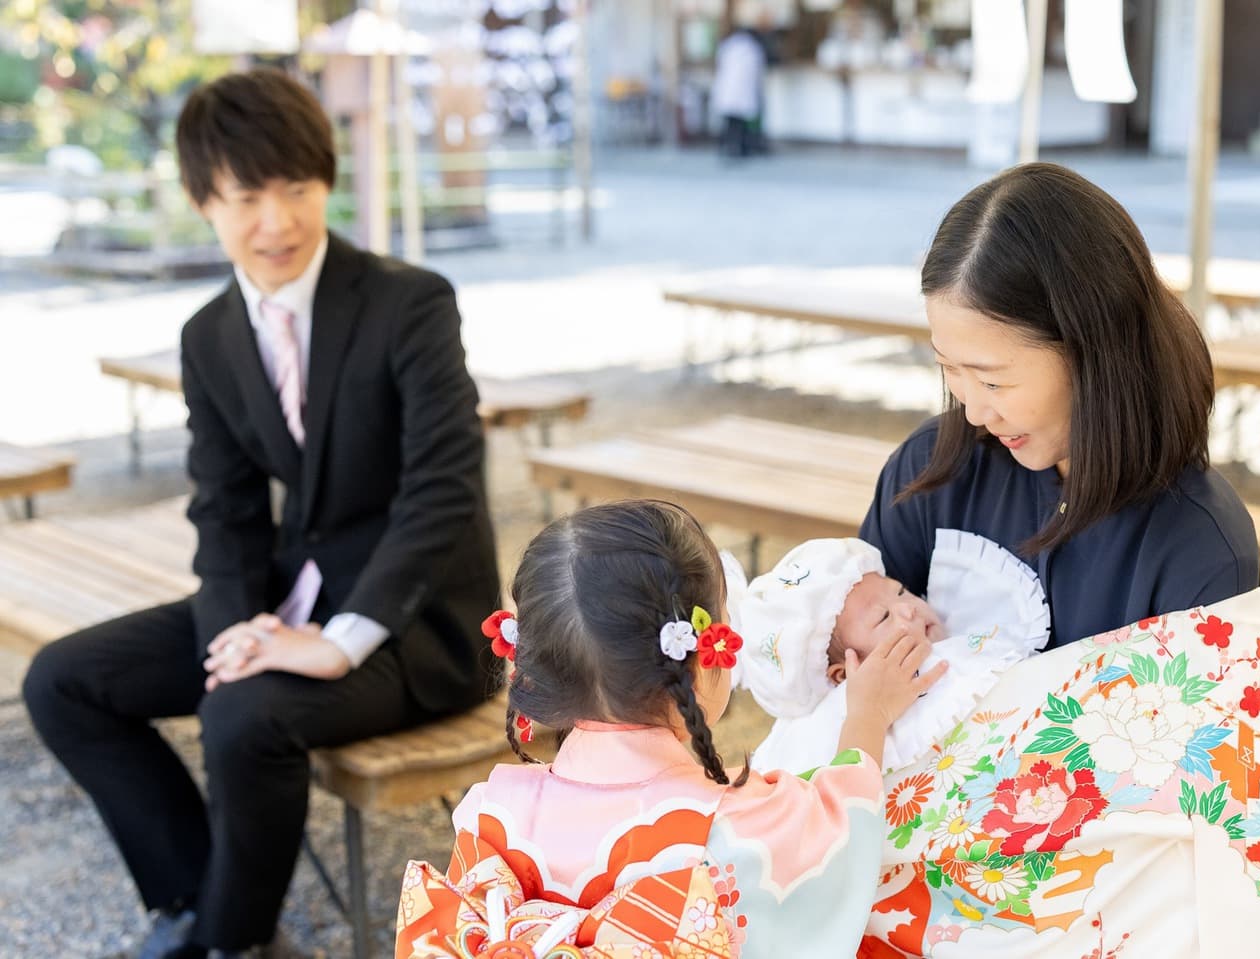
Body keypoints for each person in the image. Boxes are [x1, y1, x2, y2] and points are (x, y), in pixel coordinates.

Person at [23, 68, 505, 959]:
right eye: (248, 196)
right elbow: (226, 510)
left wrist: (341, 638)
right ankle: (199, 909)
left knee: (246, 717)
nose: (277, 221)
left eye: (296, 189)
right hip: (295, 596)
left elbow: (443, 489)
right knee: (64, 681)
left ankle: (226, 942)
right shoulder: (209, 335)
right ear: (205, 200)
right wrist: (235, 630)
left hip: (419, 624)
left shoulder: (411, 303)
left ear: (326, 181)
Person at [394, 500, 944, 957]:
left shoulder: (487, 815)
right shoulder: (744, 824)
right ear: (705, 657)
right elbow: (841, 842)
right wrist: (866, 718)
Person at [861, 162, 1260, 650]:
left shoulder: (1198, 544)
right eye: (950, 368)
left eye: (992, 380)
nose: (974, 414)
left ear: (1094, 350)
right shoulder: (933, 471)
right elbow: (841, 670)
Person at [735, 536, 1048, 774]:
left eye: (900, 591)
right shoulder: (829, 727)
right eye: (883, 618)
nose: (907, 608)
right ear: (844, 674)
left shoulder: (962, 625)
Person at [711, 23, 766, 158]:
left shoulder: (728, 45)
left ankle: (728, 148)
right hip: (742, 91)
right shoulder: (753, 48)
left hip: (730, 90)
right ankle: (738, 149)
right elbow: (758, 70)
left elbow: (718, 64)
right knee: (739, 124)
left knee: (730, 122)